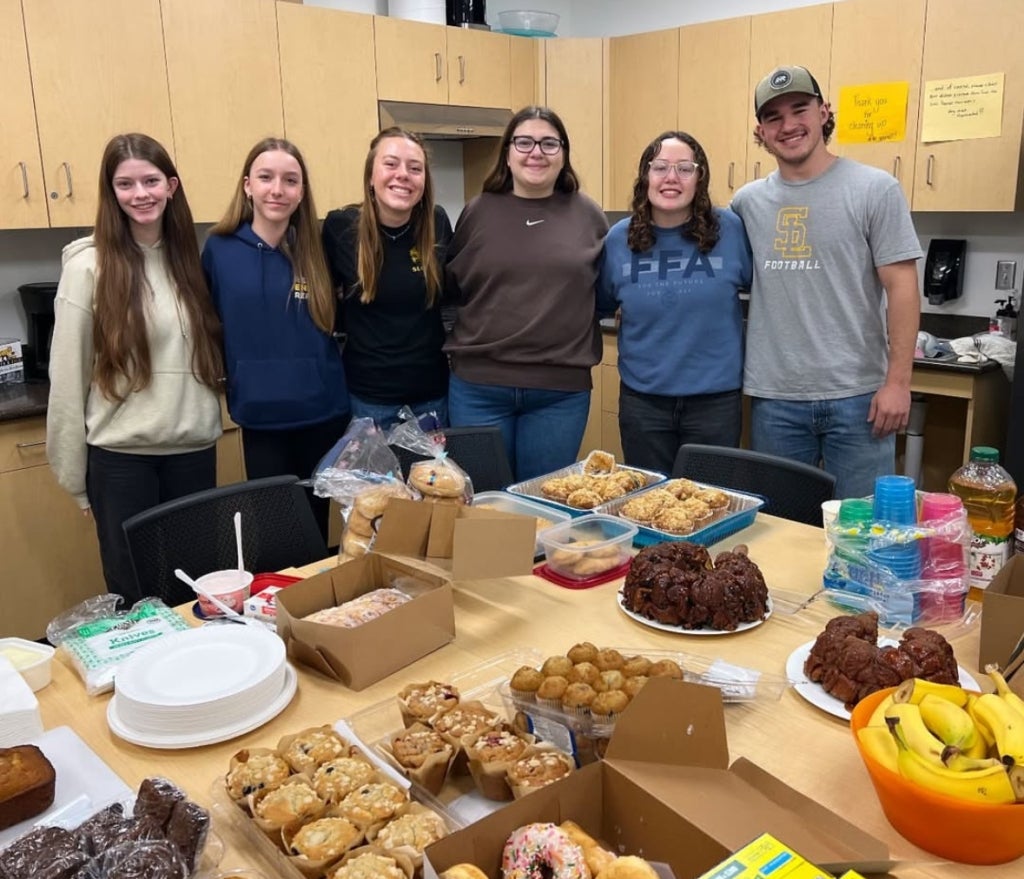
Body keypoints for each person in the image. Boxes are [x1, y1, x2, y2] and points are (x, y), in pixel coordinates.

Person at [47, 133, 224, 603]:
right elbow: (66, 379)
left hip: (193, 450)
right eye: (125, 184)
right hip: (122, 462)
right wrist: (75, 480)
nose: (140, 194)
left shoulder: (189, 261)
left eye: (150, 181)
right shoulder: (88, 267)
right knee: (137, 592)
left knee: (194, 588)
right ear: (111, 192)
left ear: (172, 186)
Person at [731, 65, 922, 499]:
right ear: (760, 131)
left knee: (859, 534)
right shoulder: (746, 203)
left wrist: (898, 384)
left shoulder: (874, 189)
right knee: (782, 529)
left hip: (858, 398)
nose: (789, 125)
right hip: (774, 399)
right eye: (774, 117)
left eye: (800, 109)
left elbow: (903, 288)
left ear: (824, 113)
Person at [445, 105, 608, 481]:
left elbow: (603, 289)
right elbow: (453, 289)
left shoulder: (588, 215)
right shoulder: (477, 212)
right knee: (484, 508)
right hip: (478, 387)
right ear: (507, 152)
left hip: (559, 394)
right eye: (524, 142)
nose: (536, 152)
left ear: (564, 153)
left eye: (549, 143)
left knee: (544, 507)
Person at [202, 138, 349, 540]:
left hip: (322, 413)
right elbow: (208, 326)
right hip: (260, 415)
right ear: (247, 184)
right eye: (266, 178)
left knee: (318, 530)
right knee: (275, 531)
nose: (277, 190)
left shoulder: (319, 248)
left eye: (290, 180)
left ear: (302, 192)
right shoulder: (220, 248)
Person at [598, 131, 752, 475]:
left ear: (700, 177)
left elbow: (765, 291)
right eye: (660, 167)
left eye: (684, 168)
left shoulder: (729, 229)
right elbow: (604, 303)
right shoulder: (618, 239)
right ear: (645, 177)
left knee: (710, 505)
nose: (671, 178)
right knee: (648, 504)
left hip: (715, 403)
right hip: (643, 403)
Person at [321, 127, 453, 431]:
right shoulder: (341, 228)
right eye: (391, 164)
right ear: (370, 175)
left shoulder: (437, 223)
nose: (403, 175)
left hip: (432, 397)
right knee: (374, 482)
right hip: (367, 401)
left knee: (428, 480)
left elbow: (452, 297)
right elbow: (326, 301)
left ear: (424, 181)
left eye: (414, 168)